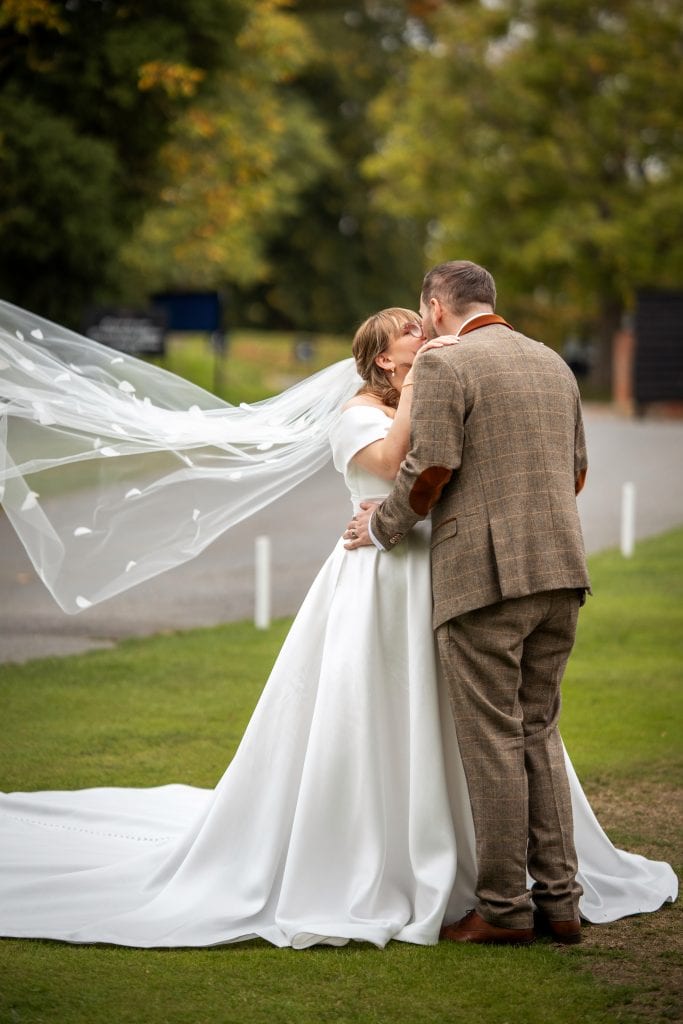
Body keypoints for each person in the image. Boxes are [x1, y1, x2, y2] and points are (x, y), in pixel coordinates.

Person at [0, 305, 677, 949]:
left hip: (445, 574)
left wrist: (436, 387)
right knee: (385, 706)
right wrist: (423, 386)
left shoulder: (440, 386)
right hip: (379, 578)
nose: (423, 333)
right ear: (383, 360)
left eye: (422, 324)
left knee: (478, 721)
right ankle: (386, 854)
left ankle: (495, 866)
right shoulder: (357, 413)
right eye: (408, 332)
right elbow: (390, 469)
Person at [343, 262, 596, 945]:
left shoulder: (450, 365)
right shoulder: (551, 362)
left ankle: (503, 910)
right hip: (560, 570)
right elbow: (575, 470)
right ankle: (562, 903)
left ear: (435, 306)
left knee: (490, 742)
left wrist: (378, 527)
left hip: (485, 578)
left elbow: (429, 471)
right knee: (536, 732)